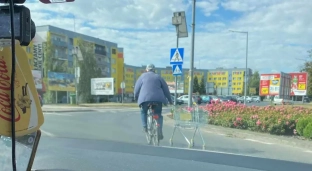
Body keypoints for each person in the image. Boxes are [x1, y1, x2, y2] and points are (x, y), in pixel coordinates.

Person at [134, 64, 173, 140]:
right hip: (158, 99)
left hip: (145, 99)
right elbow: (166, 90)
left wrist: (136, 97)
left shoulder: (142, 76)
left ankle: (145, 127)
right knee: (158, 115)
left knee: (143, 111)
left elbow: (136, 89)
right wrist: (170, 100)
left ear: (146, 70)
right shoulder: (158, 77)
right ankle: (159, 132)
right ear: (154, 70)